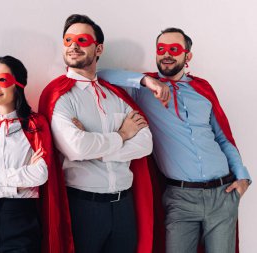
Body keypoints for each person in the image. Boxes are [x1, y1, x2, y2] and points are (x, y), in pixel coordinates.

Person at [97, 27, 251, 253]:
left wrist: (243, 176)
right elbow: (100, 75)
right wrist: (145, 81)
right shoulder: (143, 90)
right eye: (161, 49)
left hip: (223, 193)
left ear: (187, 56)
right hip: (181, 198)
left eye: (174, 49)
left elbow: (223, 138)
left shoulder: (202, 89)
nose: (166, 54)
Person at [39, 14, 155, 253]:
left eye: (82, 40)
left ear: (98, 48)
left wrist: (98, 151)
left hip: (123, 206)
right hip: (84, 208)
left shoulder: (115, 95)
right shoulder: (60, 96)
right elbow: (76, 148)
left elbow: (145, 144)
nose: (73, 46)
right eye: (68, 40)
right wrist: (122, 135)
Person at [0, 55, 74, 253]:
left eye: (1, 80)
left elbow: (39, 175)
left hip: (21, 223)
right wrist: (19, 187)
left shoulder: (35, 126)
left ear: (18, 85)